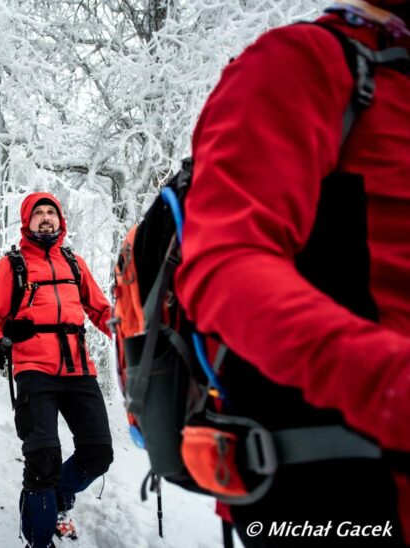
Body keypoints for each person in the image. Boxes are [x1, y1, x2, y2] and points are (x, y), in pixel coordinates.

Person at [174, 1, 410, 545]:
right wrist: (388, 383)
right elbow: (224, 265)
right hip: (341, 486)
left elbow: (95, 307)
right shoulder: (304, 60)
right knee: (55, 450)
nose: (46, 221)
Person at [0, 193, 113, 547]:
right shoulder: (13, 265)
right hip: (34, 368)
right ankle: (38, 539)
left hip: (78, 369)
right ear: (27, 221)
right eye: (37, 213)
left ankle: (60, 495)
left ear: (60, 220)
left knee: (98, 453)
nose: (45, 218)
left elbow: (101, 311)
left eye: (50, 212)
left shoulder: (74, 263)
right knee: (42, 460)